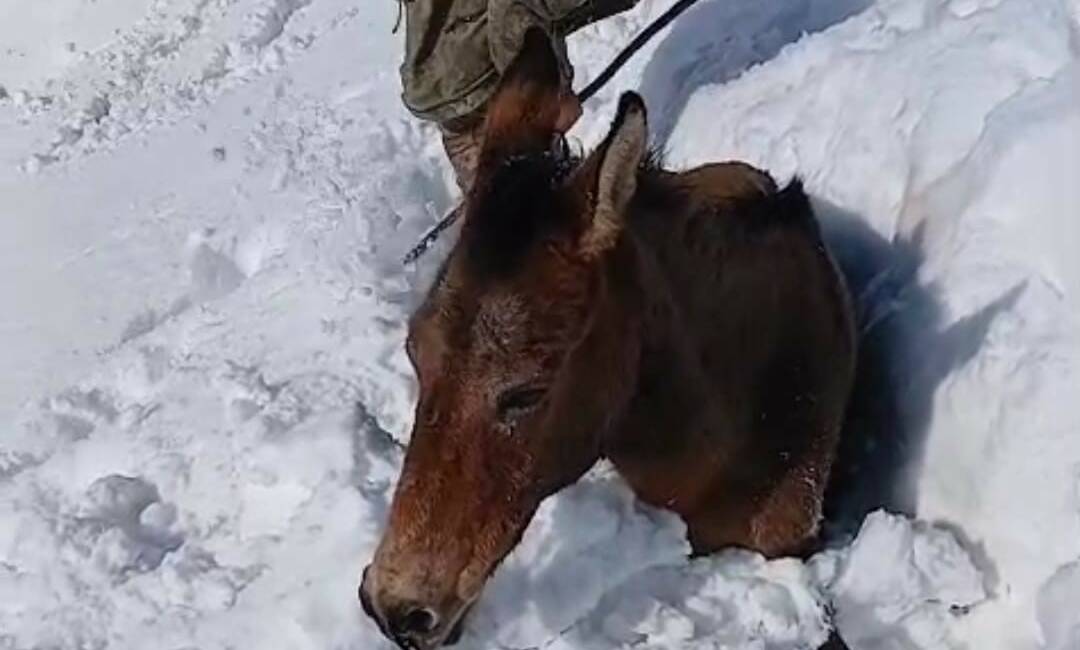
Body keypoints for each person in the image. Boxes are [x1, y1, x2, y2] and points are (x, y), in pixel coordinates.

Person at [398, 0, 640, 190]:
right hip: (489, 95)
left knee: (506, 227)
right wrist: (549, 96)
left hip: (453, 84)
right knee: (527, 230)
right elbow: (511, 13)